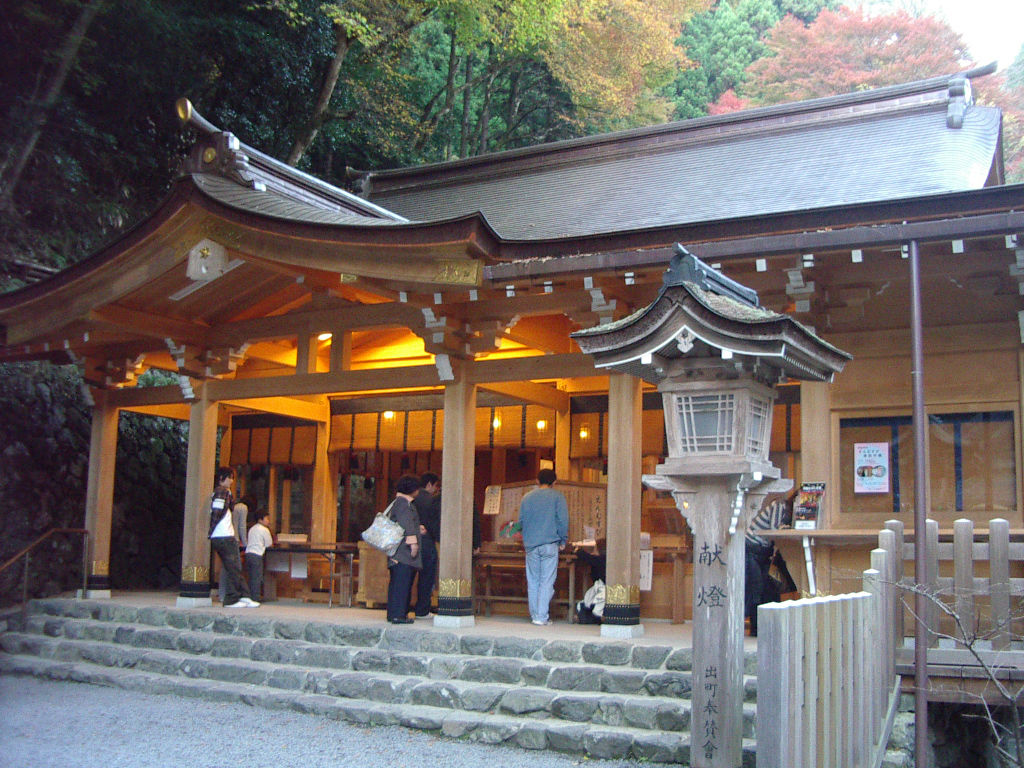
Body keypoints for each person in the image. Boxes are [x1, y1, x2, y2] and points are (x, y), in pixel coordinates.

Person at [518, 468, 568, 626]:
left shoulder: (527, 498)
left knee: (533, 580)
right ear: (555, 482)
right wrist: (563, 540)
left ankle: (535, 614)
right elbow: (562, 521)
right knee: (547, 581)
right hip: (550, 544)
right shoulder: (558, 497)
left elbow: (521, 522)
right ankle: (541, 616)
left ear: (537, 481)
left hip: (531, 545)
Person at [744, 492, 796, 636]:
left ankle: (761, 628)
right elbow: (775, 530)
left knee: (763, 589)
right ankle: (756, 628)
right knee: (756, 589)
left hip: (762, 551)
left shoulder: (785, 509)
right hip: (751, 547)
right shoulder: (779, 505)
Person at [207, 467, 258, 608]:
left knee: (234, 567)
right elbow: (217, 512)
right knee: (233, 567)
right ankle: (232, 598)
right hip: (223, 534)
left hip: (225, 534)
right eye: (229, 477)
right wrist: (211, 531)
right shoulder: (221, 492)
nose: (231, 480)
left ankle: (243, 596)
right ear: (222, 478)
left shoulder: (224, 492)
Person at [385, 474, 423, 624]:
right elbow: (406, 523)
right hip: (402, 553)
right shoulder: (403, 503)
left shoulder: (399, 502)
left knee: (398, 582)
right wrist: (413, 543)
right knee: (402, 583)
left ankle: (395, 613)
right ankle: (398, 614)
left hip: (398, 553)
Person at [411, 472, 441, 619]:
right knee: (427, 576)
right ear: (429, 484)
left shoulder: (412, 499)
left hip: (411, 542)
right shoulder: (431, 500)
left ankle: (405, 607)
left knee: (409, 576)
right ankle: (422, 609)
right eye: (435, 486)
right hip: (427, 542)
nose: (436, 489)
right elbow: (434, 523)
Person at [219, 494, 253, 604]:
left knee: (225, 567)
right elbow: (242, 526)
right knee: (235, 567)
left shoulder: (234, 507)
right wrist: (246, 543)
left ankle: (222, 594)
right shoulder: (243, 508)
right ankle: (234, 594)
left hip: (225, 536)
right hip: (235, 539)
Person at [245, 509, 274, 602]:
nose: (268, 521)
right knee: (257, 578)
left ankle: (249, 597)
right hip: (257, 555)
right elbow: (269, 544)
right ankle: (255, 599)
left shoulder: (252, 529)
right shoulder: (264, 530)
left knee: (251, 577)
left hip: (248, 553)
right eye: (267, 518)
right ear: (260, 520)